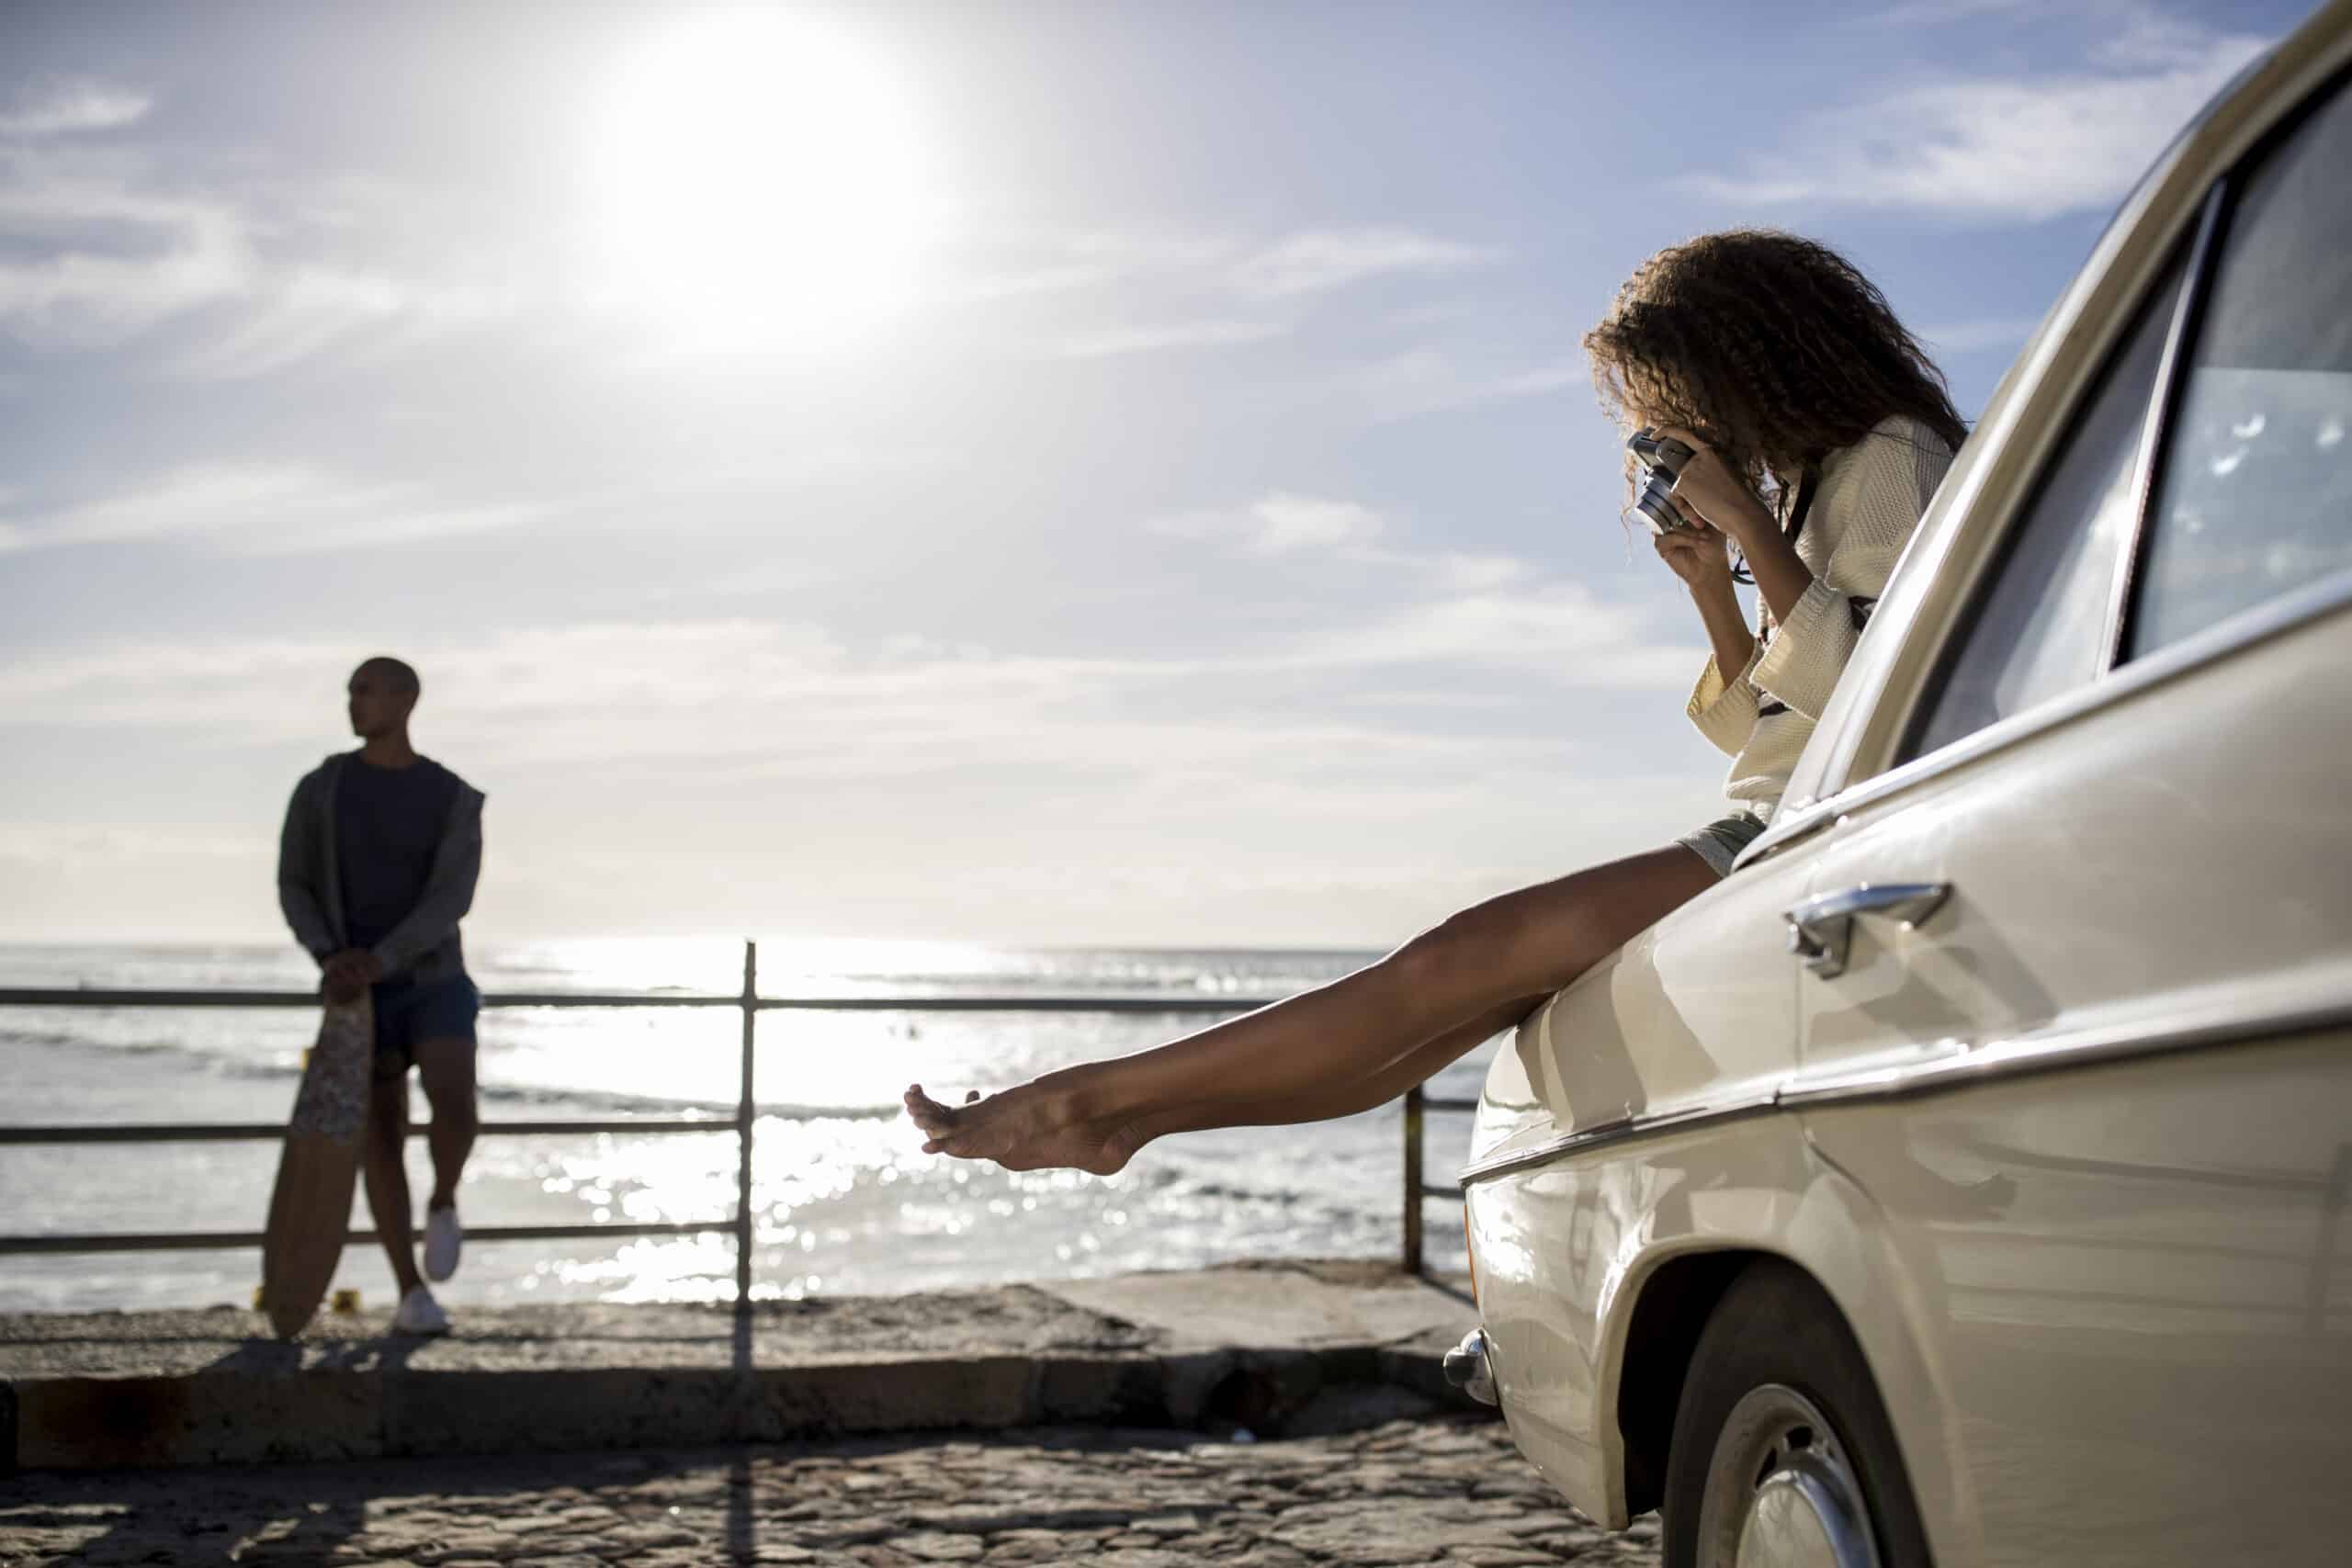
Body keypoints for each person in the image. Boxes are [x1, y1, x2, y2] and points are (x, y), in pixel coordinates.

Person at [905, 230, 1966, 1172]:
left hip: (1815, 829)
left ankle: (1086, 1102)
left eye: (1679, 389)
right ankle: (1128, 1123)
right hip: (1781, 810)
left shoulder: (1891, 455)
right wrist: (1713, 589)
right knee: (1440, 1012)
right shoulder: (1809, 486)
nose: (1679, 419)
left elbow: (1891, 689)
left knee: (1457, 958)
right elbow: (1768, 724)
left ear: (1752, 357)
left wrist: (1749, 530)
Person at [277, 656, 487, 1335]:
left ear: (407, 697)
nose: (355, 702)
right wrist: (330, 955)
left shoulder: (453, 795)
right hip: (354, 995)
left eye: (367, 690)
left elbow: (452, 897)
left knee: (455, 1101)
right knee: (380, 1135)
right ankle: (411, 1291)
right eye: (351, 692)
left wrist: (384, 956)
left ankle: (446, 1199)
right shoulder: (321, 788)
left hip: (432, 980)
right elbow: (294, 882)